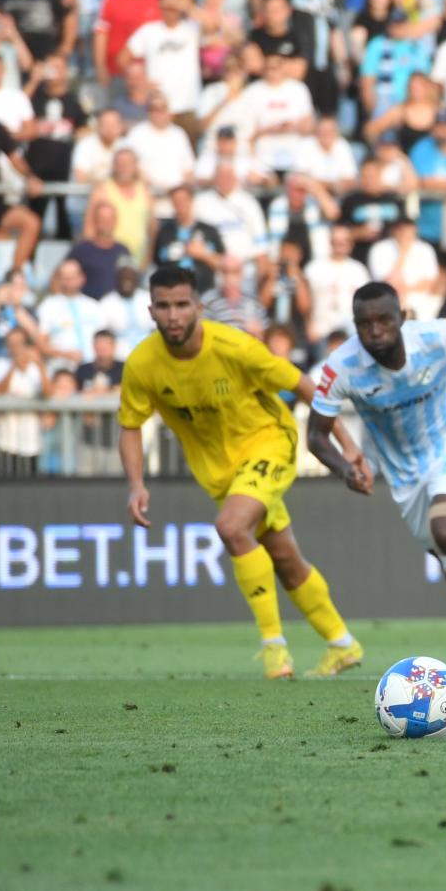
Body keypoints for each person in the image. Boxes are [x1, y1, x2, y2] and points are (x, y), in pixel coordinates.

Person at [118, 264, 364, 679]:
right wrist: (136, 485)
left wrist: (345, 439)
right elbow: (129, 425)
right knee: (285, 557)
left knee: (232, 527)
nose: (173, 315)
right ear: (151, 310)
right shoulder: (143, 364)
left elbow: (304, 384)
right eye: (164, 306)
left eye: (181, 305)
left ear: (198, 306)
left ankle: (273, 647)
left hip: (270, 441)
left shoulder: (234, 347)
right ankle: (342, 643)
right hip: (221, 473)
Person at [306, 283, 446, 675]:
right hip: (403, 473)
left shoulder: (441, 337)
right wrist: (345, 469)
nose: (375, 330)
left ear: (403, 317)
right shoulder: (340, 367)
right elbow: (316, 436)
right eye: (364, 323)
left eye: (384, 320)